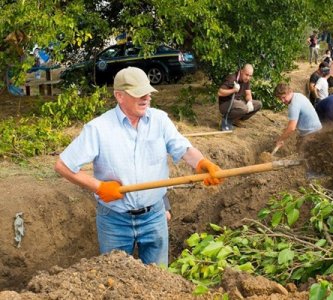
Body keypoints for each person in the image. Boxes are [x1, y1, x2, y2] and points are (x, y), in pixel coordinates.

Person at [54, 66, 223, 267]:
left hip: (154, 217)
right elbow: (63, 165)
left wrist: (202, 163)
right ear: (119, 96)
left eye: (148, 92)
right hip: (114, 220)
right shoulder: (99, 128)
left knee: (159, 279)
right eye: (139, 94)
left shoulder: (159, 120)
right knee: (114, 279)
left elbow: (183, 149)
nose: (146, 98)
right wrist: (99, 187)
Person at [274, 83, 322, 149]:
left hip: (312, 133)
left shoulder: (294, 105)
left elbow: (292, 128)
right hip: (317, 129)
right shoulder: (298, 95)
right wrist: (284, 135)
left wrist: (280, 139)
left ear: (290, 92)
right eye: (280, 98)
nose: (282, 101)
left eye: (284, 97)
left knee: (304, 154)